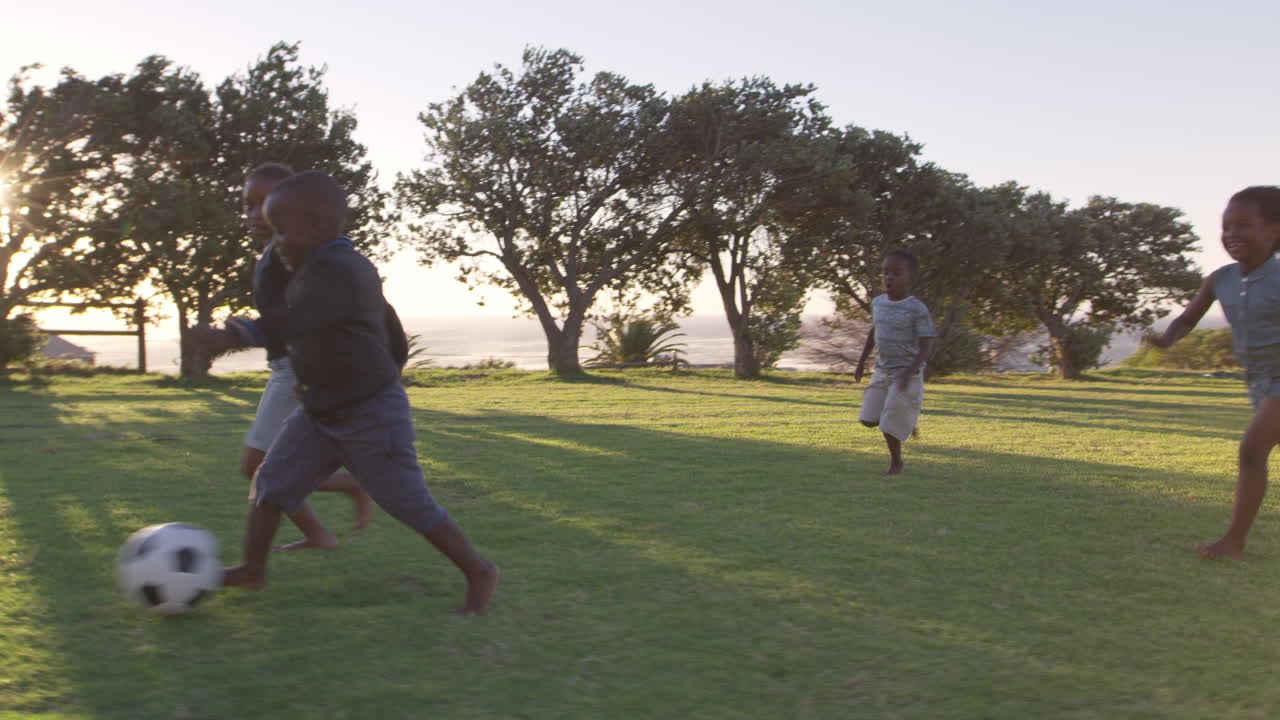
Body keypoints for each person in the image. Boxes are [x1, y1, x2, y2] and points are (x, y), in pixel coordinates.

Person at [216, 170, 498, 613]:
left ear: (313, 226)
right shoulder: (304, 265)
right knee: (271, 482)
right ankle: (252, 570)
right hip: (319, 409)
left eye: (282, 231)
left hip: (370, 412)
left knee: (407, 502)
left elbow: (303, 320)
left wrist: (237, 333)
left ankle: (479, 571)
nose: (277, 241)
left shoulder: (346, 271)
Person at [214, 162, 372, 551]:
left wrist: (244, 332)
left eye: (264, 204)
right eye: (247, 205)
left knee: (257, 466)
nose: (254, 215)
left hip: (295, 372)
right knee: (266, 466)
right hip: (289, 369)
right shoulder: (277, 256)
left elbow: (303, 317)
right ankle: (318, 532)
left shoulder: (292, 257)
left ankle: (337, 502)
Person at [1147, 185, 1280, 559]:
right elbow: (1188, 318)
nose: (1231, 235)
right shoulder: (1221, 279)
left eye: (1243, 225)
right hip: (1259, 382)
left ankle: (1232, 543)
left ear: (1275, 230)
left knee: (1252, 450)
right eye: (1226, 227)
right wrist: (1167, 339)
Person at [854, 249, 936, 476]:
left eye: (897, 273)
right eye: (885, 272)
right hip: (882, 370)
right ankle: (905, 418)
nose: (889, 277)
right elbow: (874, 331)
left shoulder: (917, 309)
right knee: (868, 420)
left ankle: (896, 464)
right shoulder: (878, 303)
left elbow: (926, 345)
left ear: (910, 278)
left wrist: (909, 372)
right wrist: (861, 362)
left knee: (889, 422)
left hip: (907, 374)